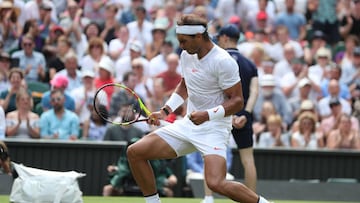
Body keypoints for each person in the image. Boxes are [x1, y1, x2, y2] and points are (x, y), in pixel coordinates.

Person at [126, 14, 270, 203]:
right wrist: (165, 111)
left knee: (216, 183)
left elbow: (237, 102)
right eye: (179, 41)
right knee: (135, 152)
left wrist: (207, 115)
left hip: (214, 129)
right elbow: (185, 86)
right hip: (188, 125)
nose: (181, 46)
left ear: (199, 37)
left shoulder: (223, 61)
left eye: (184, 41)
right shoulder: (187, 55)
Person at [216, 24, 258, 193]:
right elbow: (255, 91)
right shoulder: (250, 64)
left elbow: (217, 91)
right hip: (243, 115)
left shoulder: (218, 60)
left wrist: (228, 114)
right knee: (248, 160)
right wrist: (245, 114)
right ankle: (252, 198)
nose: (218, 41)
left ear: (225, 38)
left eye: (219, 37)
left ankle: (208, 198)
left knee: (212, 156)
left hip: (222, 114)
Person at [103, 138, 178, 197]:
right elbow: (123, 171)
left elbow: (166, 173)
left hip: (151, 186)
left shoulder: (156, 159)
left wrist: (170, 178)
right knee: (108, 189)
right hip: (128, 185)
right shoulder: (125, 160)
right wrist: (116, 171)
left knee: (168, 192)